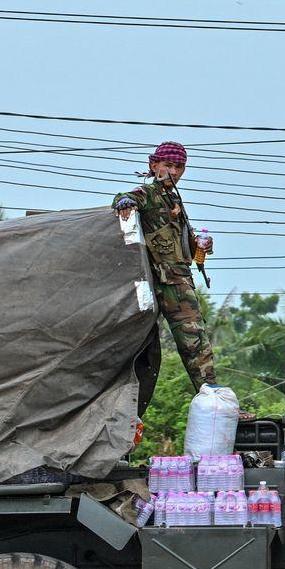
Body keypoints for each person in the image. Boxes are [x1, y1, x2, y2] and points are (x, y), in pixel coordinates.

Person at [113, 141, 216, 390]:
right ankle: (212, 396)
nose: (174, 171)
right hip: (165, 283)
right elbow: (124, 197)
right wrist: (125, 204)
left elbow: (178, 243)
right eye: (168, 165)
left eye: (179, 166)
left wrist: (199, 244)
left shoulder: (173, 200)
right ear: (154, 165)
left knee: (196, 344)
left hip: (179, 280)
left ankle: (212, 397)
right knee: (194, 343)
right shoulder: (149, 193)